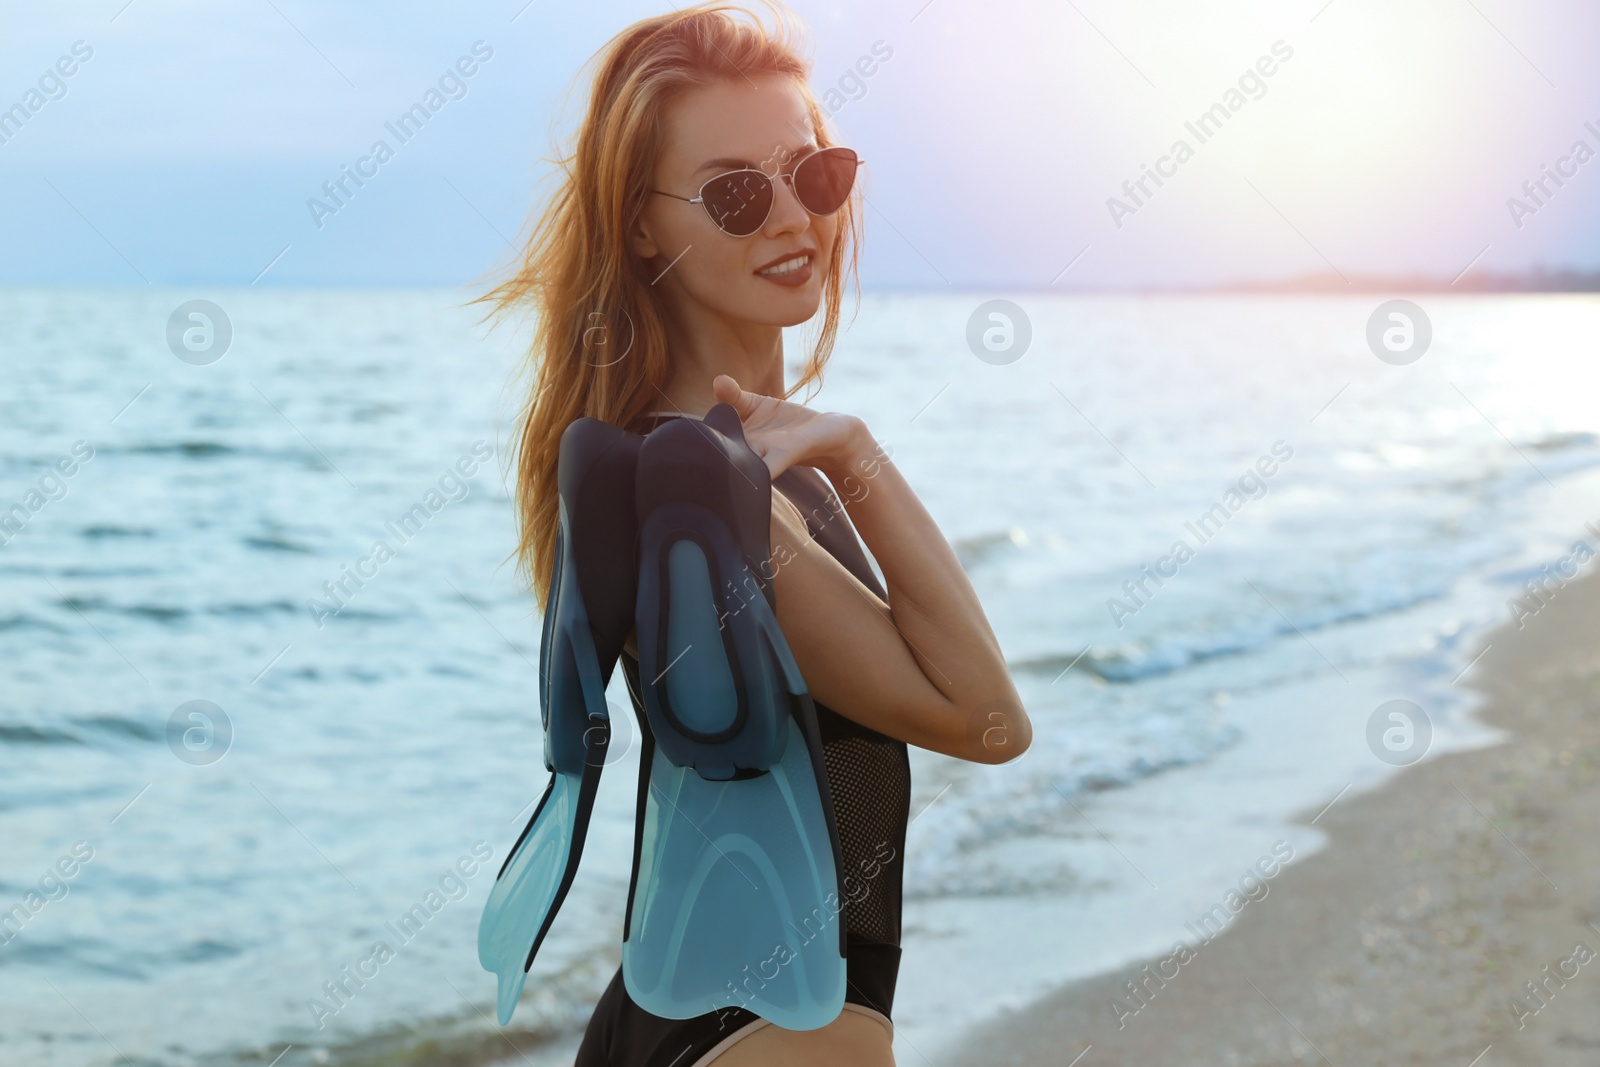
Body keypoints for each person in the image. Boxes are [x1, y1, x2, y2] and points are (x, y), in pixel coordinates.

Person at [474, 4, 1030, 1063]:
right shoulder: (714, 495)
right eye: (735, 192)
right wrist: (857, 455)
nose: (791, 218)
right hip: (778, 1033)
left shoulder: (678, 461)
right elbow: (987, 717)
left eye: (811, 174)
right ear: (642, 225)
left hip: (689, 1019)